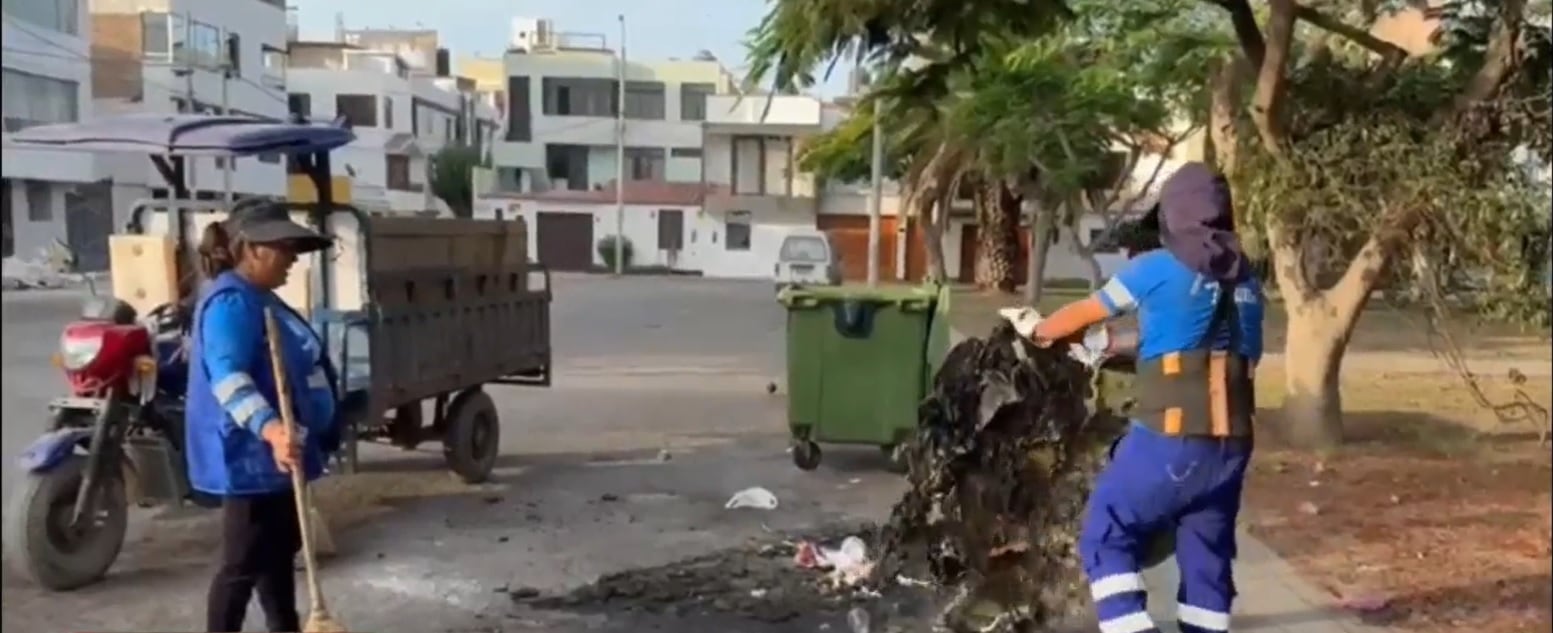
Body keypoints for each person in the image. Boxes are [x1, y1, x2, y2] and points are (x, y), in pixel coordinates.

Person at [1007, 162, 1264, 633]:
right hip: (1232, 445)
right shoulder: (1245, 278)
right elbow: (1236, 357)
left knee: (1107, 532)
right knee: (1205, 554)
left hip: (1172, 437)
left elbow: (1087, 310)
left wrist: (1038, 329)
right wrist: (1113, 345)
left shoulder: (1156, 268)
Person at [185, 202, 340, 633]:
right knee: (241, 564)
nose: (293, 258)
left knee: (275, 557)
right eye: (284, 247)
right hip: (252, 459)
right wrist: (271, 430)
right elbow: (228, 377)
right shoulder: (232, 302)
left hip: (277, 458)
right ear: (251, 249)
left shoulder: (260, 298)